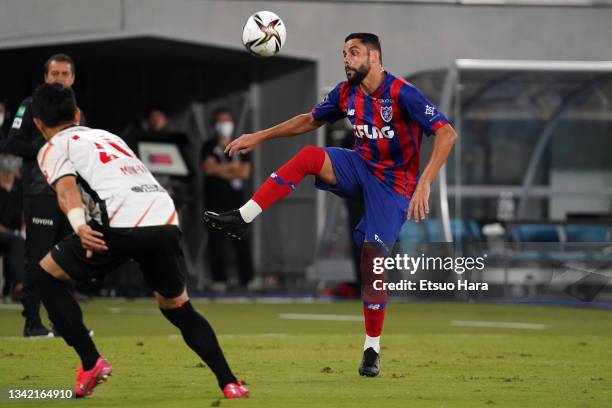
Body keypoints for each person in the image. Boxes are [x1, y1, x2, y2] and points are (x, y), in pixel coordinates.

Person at [204, 33, 458, 377]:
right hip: (360, 167)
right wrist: (260, 136)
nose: (346, 59)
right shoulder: (345, 92)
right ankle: (242, 217)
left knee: (372, 262)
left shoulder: (402, 93)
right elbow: (309, 120)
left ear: (375, 56)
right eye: (343, 53)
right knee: (310, 155)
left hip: (394, 186)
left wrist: (425, 181)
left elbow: (446, 133)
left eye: (353, 53)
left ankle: (372, 348)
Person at [31, 83, 248, 399]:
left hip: (120, 222)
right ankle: (229, 382)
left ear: (38, 123)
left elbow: (66, 190)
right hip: (163, 216)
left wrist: (79, 226)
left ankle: (90, 362)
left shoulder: (52, 148)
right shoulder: (108, 136)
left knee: (42, 276)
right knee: (177, 306)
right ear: (77, 114)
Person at [1, 54, 80, 337]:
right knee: (37, 257)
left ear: (72, 79)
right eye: (54, 74)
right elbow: (11, 143)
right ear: (45, 77)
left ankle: (63, 322)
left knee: (68, 257)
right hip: (39, 193)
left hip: (70, 195)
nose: (59, 79)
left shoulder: (75, 111)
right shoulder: (29, 107)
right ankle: (32, 322)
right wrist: (47, 144)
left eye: (64, 74)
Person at [201, 108, 254, 291]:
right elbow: (208, 169)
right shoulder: (208, 146)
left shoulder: (240, 145)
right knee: (216, 240)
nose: (224, 125)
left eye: (227, 121)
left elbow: (245, 172)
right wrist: (232, 168)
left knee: (241, 238)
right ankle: (219, 279)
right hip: (215, 199)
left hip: (237, 201)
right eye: (220, 121)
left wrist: (220, 168)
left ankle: (246, 279)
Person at [0, 154, 25, 300]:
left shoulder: (20, 185)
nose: (9, 161)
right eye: (5, 156)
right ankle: (19, 285)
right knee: (16, 241)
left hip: (14, 235)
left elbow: (25, 212)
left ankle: (18, 287)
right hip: (4, 233)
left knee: (20, 242)